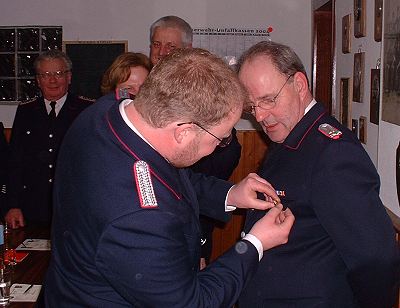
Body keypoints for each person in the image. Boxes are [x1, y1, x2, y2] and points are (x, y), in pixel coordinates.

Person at [44, 48, 294, 307]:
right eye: (220, 138)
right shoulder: (139, 219)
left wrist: (229, 194)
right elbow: (192, 303)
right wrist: (255, 244)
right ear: (183, 132)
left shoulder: (107, 111)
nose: (217, 147)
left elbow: (168, 176)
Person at [237, 41, 400, 308]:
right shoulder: (291, 136)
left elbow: (376, 259)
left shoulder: (332, 154)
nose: (260, 116)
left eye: (268, 100)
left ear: (299, 85)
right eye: (252, 106)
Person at [150, 15, 243, 266]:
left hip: (195, 217)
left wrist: (230, 193)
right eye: (156, 45)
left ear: (187, 51)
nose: (162, 53)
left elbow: (226, 157)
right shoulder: (142, 95)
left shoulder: (205, 95)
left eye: (171, 47)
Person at [5, 50, 94, 228]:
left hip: (74, 207)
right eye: (45, 75)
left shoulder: (87, 110)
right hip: (32, 207)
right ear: (38, 80)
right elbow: (14, 162)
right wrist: (12, 205)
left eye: (58, 74)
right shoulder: (26, 111)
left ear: (69, 77)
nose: (52, 80)